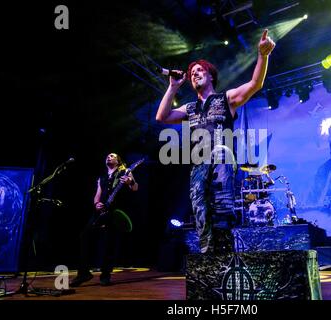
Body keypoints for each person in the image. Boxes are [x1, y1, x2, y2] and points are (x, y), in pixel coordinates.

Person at [156, 29, 275, 254]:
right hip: (199, 164)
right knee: (200, 211)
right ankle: (208, 256)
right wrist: (172, 87)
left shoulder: (226, 99)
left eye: (199, 70)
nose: (194, 74)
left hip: (221, 158)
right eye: (192, 72)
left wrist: (263, 55)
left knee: (222, 210)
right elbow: (162, 117)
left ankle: (226, 255)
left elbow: (254, 84)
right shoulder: (190, 109)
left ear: (211, 76)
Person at [70, 153, 138, 287]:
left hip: (115, 212)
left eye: (112, 156)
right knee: (84, 235)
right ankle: (84, 273)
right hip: (101, 211)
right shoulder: (101, 177)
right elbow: (97, 196)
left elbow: (135, 188)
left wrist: (130, 182)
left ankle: (105, 275)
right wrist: (96, 204)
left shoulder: (125, 171)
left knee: (109, 242)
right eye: (107, 156)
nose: (109, 157)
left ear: (118, 161)